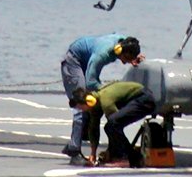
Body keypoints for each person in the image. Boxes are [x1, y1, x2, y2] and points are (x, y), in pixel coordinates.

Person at [60, 34, 144, 165]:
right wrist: (109, 91)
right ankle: (74, 151)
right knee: (81, 104)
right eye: (126, 59)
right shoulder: (102, 55)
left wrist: (133, 57)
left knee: (92, 106)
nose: (125, 62)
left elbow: (125, 39)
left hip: (86, 59)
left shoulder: (121, 42)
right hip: (74, 61)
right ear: (118, 50)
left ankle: (74, 142)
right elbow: (91, 81)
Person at [72, 80, 157, 167]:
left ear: (89, 101)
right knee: (110, 126)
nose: (82, 111)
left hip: (144, 99)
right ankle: (121, 155)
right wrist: (92, 154)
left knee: (112, 125)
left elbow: (115, 125)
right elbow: (93, 129)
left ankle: (131, 158)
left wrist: (110, 150)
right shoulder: (94, 106)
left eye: (81, 108)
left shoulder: (106, 101)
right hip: (137, 100)